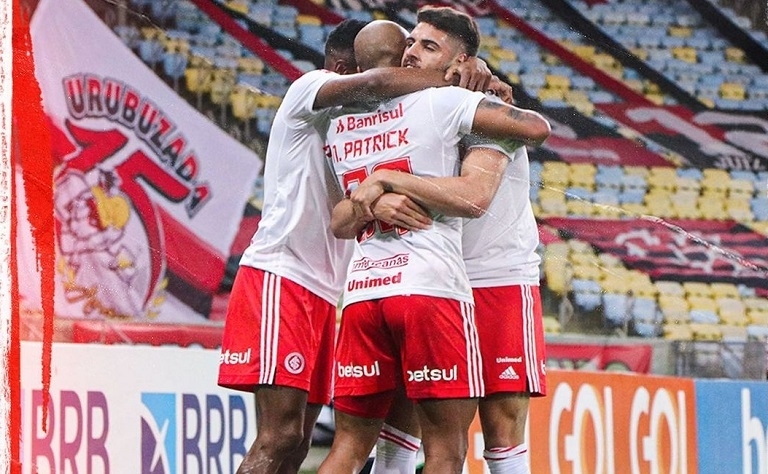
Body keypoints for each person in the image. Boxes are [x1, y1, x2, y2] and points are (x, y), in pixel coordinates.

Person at [217, 18, 496, 474]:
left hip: (332, 289)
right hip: (282, 273)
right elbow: (379, 83)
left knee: (298, 441)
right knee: (279, 436)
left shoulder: (359, 121)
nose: (403, 71)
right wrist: (453, 78)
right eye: (396, 62)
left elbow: (346, 208)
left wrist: (476, 70)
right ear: (346, 69)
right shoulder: (311, 88)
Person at [317, 11, 550, 474]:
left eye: (428, 46)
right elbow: (342, 215)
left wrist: (385, 182)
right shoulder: (400, 112)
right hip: (428, 282)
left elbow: (475, 196)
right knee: (401, 432)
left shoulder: (481, 106)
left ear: (462, 61)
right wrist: (376, 199)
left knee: (500, 431)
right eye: (411, 43)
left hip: (493, 276)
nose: (411, 53)